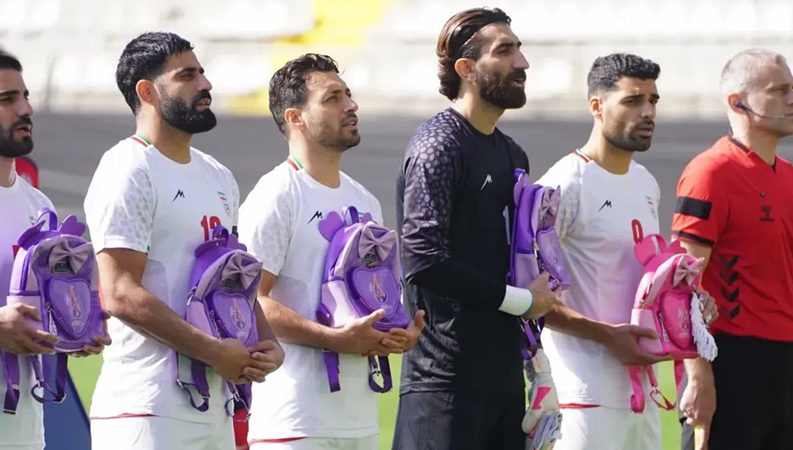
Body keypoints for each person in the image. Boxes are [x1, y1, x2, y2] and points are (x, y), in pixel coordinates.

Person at [83, 32, 283, 450]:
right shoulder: (128, 168)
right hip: (145, 409)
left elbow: (232, 276)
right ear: (147, 92)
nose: (205, 84)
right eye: (187, 76)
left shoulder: (218, 176)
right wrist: (213, 351)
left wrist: (267, 342)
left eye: (202, 73)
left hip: (214, 407)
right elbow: (119, 293)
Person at [237, 53, 423, 450]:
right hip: (293, 422)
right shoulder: (276, 196)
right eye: (333, 98)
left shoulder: (365, 200)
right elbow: (251, 300)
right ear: (296, 117)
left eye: (348, 95)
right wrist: (334, 339)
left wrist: (394, 332)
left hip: (361, 421)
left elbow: (367, 299)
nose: (351, 105)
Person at [392, 8, 558, 450]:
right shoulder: (439, 144)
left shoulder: (512, 154)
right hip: (443, 383)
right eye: (505, 51)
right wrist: (523, 301)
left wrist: (537, 363)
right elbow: (423, 257)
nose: (522, 62)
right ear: (466, 69)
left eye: (519, 49)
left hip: (504, 378)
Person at [536, 53, 668, 450]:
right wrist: (606, 336)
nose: (647, 112)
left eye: (652, 100)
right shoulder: (565, 183)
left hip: (642, 392)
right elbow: (529, 294)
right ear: (597, 106)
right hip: (583, 394)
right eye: (633, 100)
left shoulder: (646, 183)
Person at [673, 49, 793, 450]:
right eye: (779, 90)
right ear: (738, 102)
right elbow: (681, 286)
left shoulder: (788, 177)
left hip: (784, 363)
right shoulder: (711, 172)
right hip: (732, 360)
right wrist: (698, 375)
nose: (791, 99)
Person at [0, 49, 108, 450]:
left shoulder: (39, 206)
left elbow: (36, 309)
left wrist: (75, 327)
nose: (25, 109)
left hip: (24, 429)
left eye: (25, 96)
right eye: (7, 99)